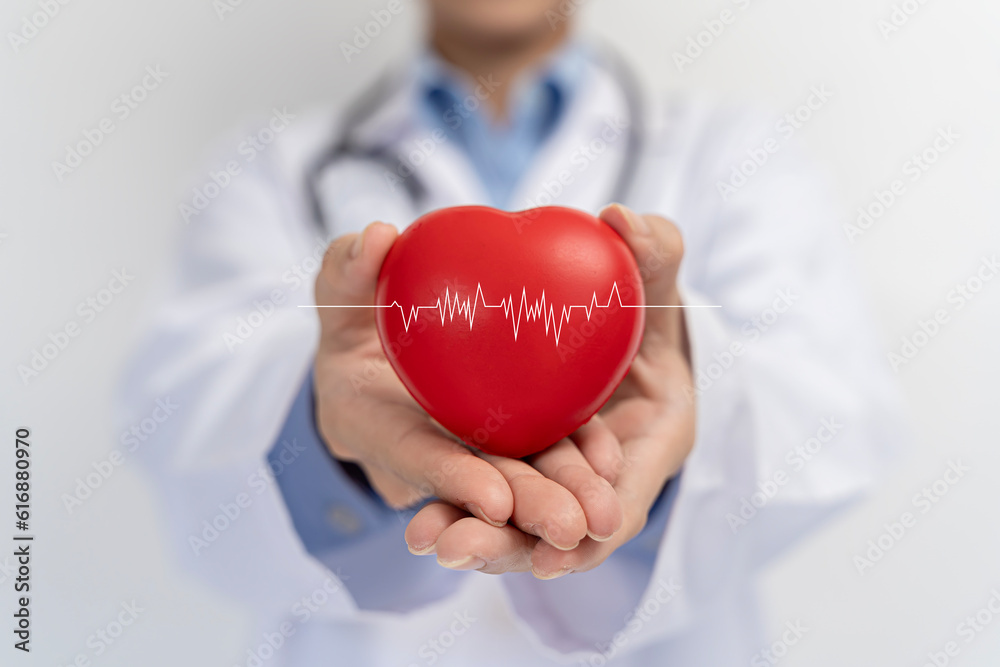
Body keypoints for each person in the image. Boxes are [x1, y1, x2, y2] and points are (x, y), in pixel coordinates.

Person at [122, 0, 904, 664]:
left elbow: (837, 411)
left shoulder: (735, 153)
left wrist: (689, 404)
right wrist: (330, 434)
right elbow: (175, 410)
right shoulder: (265, 169)